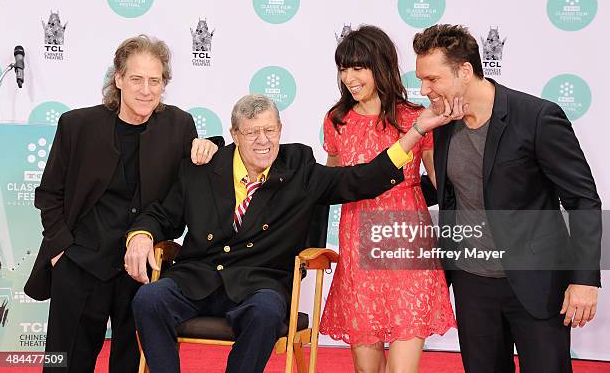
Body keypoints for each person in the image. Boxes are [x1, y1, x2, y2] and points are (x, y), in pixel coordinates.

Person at [125, 93, 456, 373]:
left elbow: (360, 179)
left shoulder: (299, 170)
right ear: (234, 134)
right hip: (197, 277)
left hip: (259, 284)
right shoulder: (202, 169)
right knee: (148, 299)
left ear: (281, 129)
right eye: (252, 132)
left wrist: (414, 132)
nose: (263, 140)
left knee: (267, 312)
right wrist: (141, 235)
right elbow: (162, 215)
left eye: (270, 130)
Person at [24, 34, 224, 372]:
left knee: (130, 362)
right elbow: (48, 195)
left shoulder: (179, 126)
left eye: (155, 80)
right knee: (64, 362)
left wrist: (211, 145)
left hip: (141, 269)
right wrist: (62, 251)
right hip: (79, 261)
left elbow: (195, 176)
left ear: (164, 84)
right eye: (136, 79)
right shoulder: (77, 125)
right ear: (118, 79)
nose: (146, 89)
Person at [412, 24, 601, 372]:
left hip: (537, 283)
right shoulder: (444, 125)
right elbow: (449, 190)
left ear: (465, 71)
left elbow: (583, 200)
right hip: (472, 286)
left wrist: (584, 279)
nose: (424, 89)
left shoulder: (537, 117)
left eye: (432, 79)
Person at [319, 25, 455, 373]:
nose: (349, 77)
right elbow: (331, 186)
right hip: (358, 250)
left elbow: (442, 184)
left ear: (380, 66)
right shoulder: (337, 122)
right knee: (367, 369)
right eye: (343, 68)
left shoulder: (416, 117)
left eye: (357, 67)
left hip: (407, 249)